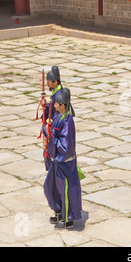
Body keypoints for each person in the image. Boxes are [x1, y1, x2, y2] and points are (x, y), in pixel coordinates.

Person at [43, 88, 82, 229]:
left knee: (65, 191)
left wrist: (50, 136)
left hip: (65, 163)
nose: (54, 106)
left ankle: (67, 219)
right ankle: (59, 212)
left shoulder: (67, 121)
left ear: (62, 106)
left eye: (56, 104)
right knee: (50, 187)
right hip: (56, 162)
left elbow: (66, 148)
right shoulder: (59, 117)